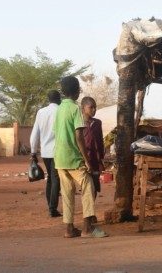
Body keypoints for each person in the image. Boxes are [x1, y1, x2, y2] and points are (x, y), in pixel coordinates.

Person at [54, 76, 108, 238]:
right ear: (77, 91)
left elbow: (55, 133)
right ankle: (87, 228)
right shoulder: (74, 109)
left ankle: (69, 228)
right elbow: (79, 136)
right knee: (88, 187)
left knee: (67, 193)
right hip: (73, 158)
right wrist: (85, 159)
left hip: (60, 158)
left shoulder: (59, 109)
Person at [30, 90, 62, 218]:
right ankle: (52, 209)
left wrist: (33, 152)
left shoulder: (41, 112)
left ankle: (50, 206)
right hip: (57, 151)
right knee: (56, 180)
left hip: (45, 152)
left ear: (49, 99)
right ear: (59, 99)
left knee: (50, 179)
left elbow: (35, 134)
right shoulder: (60, 111)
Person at [80, 96, 105, 204]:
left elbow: (100, 141)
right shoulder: (78, 123)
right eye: (91, 107)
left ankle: (90, 210)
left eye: (95, 107)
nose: (94, 110)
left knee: (94, 185)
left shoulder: (97, 123)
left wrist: (101, 160)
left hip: (95, 160)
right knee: (87, 187)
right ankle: (88, 213)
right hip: (83, 160)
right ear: (83, 108)